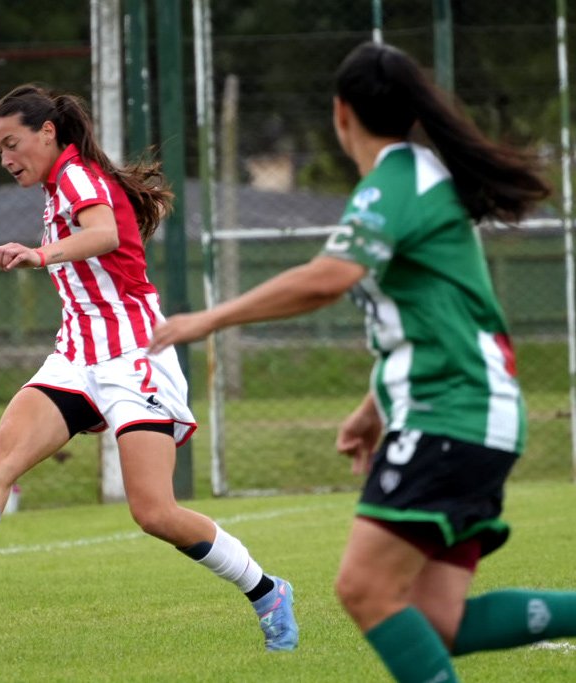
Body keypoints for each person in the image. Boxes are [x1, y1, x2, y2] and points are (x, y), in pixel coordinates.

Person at [149, 41, 576, 681]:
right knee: (439, 622)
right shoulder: (414, 181)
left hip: (452, 413)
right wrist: (374, 407)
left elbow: (328, 278)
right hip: (464, 410)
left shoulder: (396, 183)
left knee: (364, 587)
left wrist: (207, 318)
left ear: (340, 112)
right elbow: (437, 318)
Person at [0, 84, 298, 652]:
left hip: (134, 356)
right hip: (75, 355)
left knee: (154, 512)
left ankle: (267, 591)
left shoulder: (75, 175)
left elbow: (106, 234)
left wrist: (39, 253)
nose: (6, 159)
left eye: (12, 144)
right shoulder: (56, 188)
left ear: (48, 132)